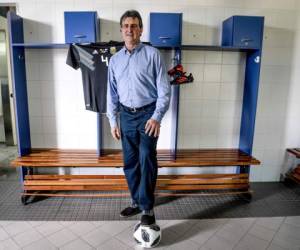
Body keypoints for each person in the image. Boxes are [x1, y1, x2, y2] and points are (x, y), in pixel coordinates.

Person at [106, 10, 170, 225]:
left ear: (141, 29)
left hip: (148, 115)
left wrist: (156, 117)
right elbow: (111, 93)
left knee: (146, 158)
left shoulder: (153, 55)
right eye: (126, 25)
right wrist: (113, 121)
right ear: (121, 30)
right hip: (125, 115)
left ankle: (147, 207)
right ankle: (136, 201)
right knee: (130, 162)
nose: (130, 29)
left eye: (134, 25)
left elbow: (164, 90)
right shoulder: (114, 60)